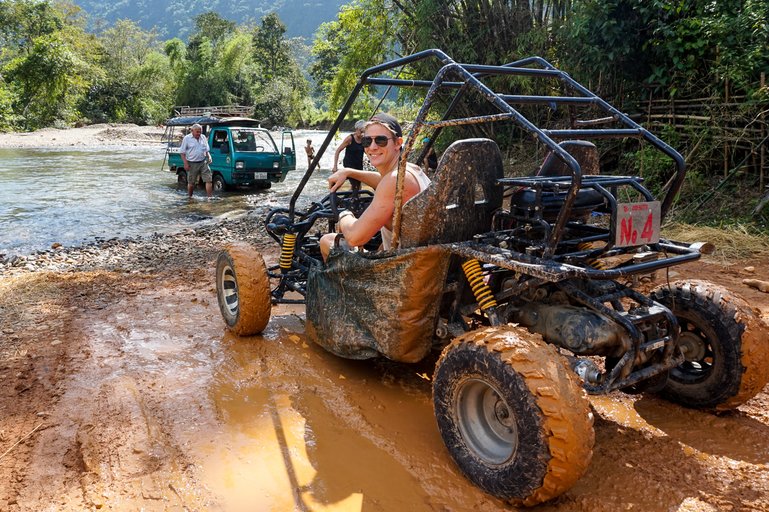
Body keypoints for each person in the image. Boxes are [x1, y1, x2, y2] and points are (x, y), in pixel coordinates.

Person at [319, 113, 431, 260]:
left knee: (326, 240)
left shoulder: (394, 180)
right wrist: (349, 172)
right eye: (367, 141)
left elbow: (354, 237)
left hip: (400, 269)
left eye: (381, 140)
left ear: (398, 143)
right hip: (415, 259)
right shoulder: (410, 170)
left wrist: (344, 215)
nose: (372, 147)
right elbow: (383, 181)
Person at [179, 123, 213, 199]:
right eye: (197, 132)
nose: (199, 133)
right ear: (192, 131)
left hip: (203, 162)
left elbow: (206, 149)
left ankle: (210, 198)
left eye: (200, 131)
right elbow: (182, 152)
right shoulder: (187, 138)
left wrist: (209, 156)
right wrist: (185, 163)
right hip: (192, 163)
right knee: (191, 183)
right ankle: (190, 197)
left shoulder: (203, 137)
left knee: (209, 180)